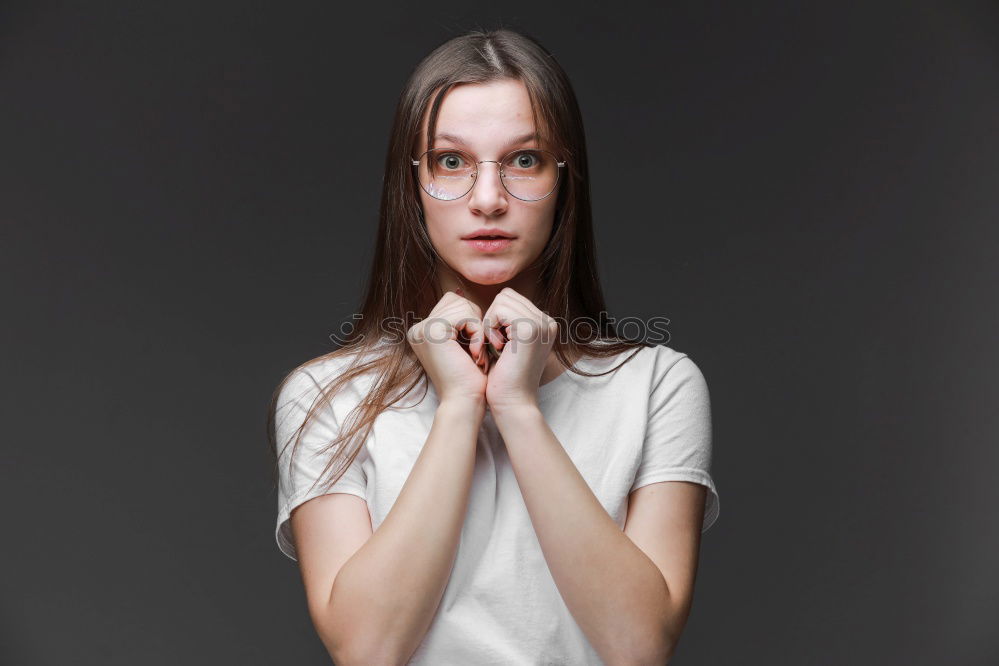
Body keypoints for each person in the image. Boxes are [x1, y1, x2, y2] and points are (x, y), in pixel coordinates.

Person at [267, 27, 719, 665]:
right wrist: (457, 405)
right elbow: (367, 651)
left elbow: (638, 645)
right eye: (451, 161)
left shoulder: (655, 384)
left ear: (565, 179)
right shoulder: (325, 397)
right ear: (412, 181)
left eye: (524, 160)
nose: (487, 200)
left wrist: (517, 407)